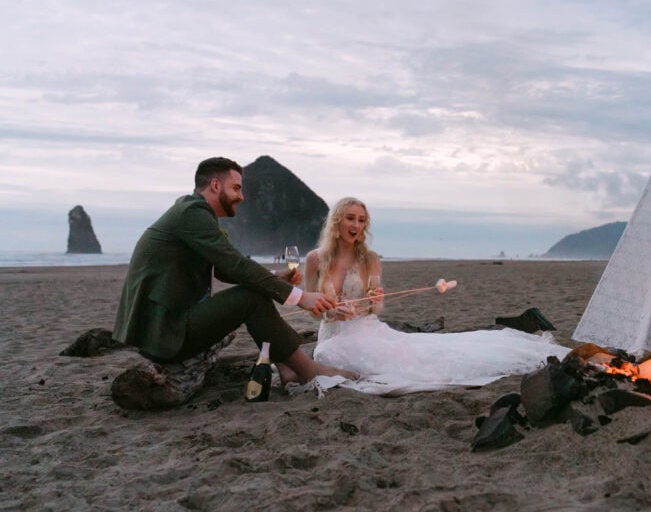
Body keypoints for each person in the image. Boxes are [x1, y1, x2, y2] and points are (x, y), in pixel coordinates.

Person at [112, 157, 358, 386]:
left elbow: (224, 269)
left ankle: (286, 367)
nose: (241, 196)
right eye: (236, 188)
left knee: (253, 291)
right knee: (249, 298)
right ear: (216, 185)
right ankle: (308, 370)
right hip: (164, 333)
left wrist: (275, 278)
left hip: (165, 327)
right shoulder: (192, 215)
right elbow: (235, 265)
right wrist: (300, 297)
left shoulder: (192, 213)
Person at [303, 196, 570, 395]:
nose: (356, 225)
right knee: (327, 356)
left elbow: (377, 307)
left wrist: (373, 300)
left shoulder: (370, 259)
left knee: (421, 358)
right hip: (332, 334)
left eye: (362, 220)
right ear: (337, 221)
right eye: (351, 218)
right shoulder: (315, 260)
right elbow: (310, 306)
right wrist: (331, 311)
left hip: (366, 330)